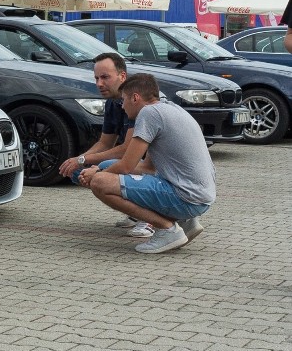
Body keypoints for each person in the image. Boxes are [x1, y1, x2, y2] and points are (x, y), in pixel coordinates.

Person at [78, 73, 215, 254]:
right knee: (106, 168)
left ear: (135, 98)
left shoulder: (148, 113)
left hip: (187, 198)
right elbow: (148, 168)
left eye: (124, 100)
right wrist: (101, 169)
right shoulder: (169, 108)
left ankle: (167, 230)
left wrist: (96, 175)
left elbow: (126, 165)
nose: (122, 106)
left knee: (100, 183)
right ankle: (185, 221)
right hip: (200, 197)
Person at [58, 53, 152, 238]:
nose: (99, 84)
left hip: (153, 166)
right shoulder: (111, 103)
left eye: (105, 77)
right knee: (78, 171)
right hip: (131, 163)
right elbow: (105, 142)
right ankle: (135, 212)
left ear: (122, 76)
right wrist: (78, 160)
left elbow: (127, 148)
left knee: (104, 168)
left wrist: (85, 159)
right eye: (96, 78)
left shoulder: (137, 101)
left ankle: (150, 217)